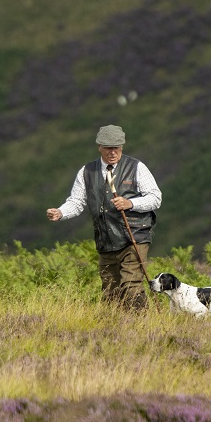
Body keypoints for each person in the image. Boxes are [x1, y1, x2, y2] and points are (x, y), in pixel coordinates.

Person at [46, 125, 162, 309]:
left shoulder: (137, 167)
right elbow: (77, 202)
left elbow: (156, 198)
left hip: (134, 237)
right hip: (106, 240)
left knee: (131, 285)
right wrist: (61, 213)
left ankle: (139, 329)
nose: (113, 152)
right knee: (110, 291)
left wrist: (131, 203)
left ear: (122, 147)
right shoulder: (87, 172)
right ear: (99, 146)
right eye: (108, 147)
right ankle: (115, 328)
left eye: (117, 147)